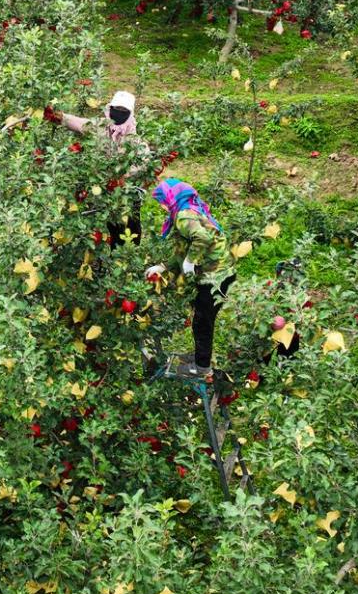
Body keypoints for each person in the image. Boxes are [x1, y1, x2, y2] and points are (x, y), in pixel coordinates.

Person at [145, 178, 234, 378]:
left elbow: (203, 237)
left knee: (203, 320)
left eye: (162, 201)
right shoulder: (189, 210)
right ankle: (200, 356)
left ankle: (201, 367)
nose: (162, 206)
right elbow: (184, 248)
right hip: (219, 273)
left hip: (215, 277)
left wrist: (190, 260)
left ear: (171, 198)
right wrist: (164, 266)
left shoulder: (183, 216)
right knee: (201, 318)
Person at [59, 90, 150, 248]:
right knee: (107, 223)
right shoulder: (100, 126)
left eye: (123, 111)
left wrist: (124, 175)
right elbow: (80, 123)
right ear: (110, 108)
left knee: (130, 223)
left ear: (130, 113)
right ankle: (108, 252)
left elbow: (143, 159)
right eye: (116, 109)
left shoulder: (132, 137)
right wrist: (60, 117)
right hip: (103, 187)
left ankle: (130, 253)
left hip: (125, 190)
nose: (119, 113)